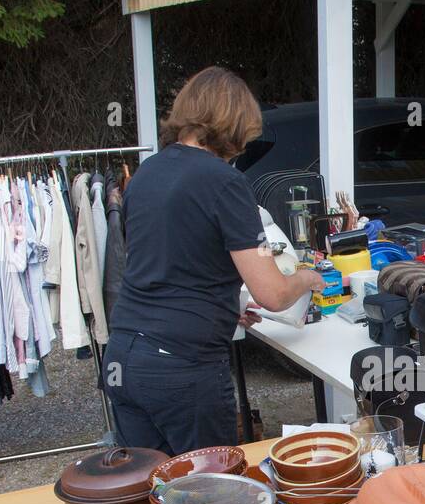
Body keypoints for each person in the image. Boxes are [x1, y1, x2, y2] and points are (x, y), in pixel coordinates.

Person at [103, 67, 323, 454]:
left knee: (147, 493)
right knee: (208, 499)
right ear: (235, 124)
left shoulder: (145, 173)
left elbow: (165, 266)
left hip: (124, 357)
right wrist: (307, 277)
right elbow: (272, 294)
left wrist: (224, 307)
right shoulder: (225, 182)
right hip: (182, 368)